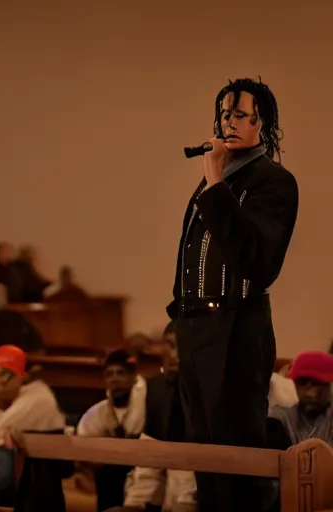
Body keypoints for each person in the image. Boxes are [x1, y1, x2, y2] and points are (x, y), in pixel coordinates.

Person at [167, 77, 299, 512]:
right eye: (224, 113)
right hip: (198, 330)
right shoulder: (222, 178)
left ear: (265, 123)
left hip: (236, 330)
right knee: (203, 453)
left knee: (235, 456)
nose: (228, 122)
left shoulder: (273, 182)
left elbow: (254, 260)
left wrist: (214, 181)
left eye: (240, 114)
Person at [105, 321, 196, 512]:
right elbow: (150, 453)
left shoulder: (212, 394)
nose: (174, 355)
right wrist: (134, 503)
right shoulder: (155, 389)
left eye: (184, 346)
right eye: (170, 345)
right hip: (165, 491)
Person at [0, 345, 65, 507]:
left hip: (21, 481)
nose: (4, 380)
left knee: (0, 457)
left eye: (11, 374)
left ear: (22, 379)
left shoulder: (36, 401)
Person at [77, 349, 146, 511]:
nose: (115, 379)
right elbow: (83, 447)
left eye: (120, 373)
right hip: (109, 480)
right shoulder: (97, 413)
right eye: (109, 374)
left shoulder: (148, 406)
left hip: (142, 473)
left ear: (133, 376)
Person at [270, 351, 333, 447]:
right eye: (303, 381)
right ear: (294, 383)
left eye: (317, 382)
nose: (310, 389)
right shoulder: (283, 417)